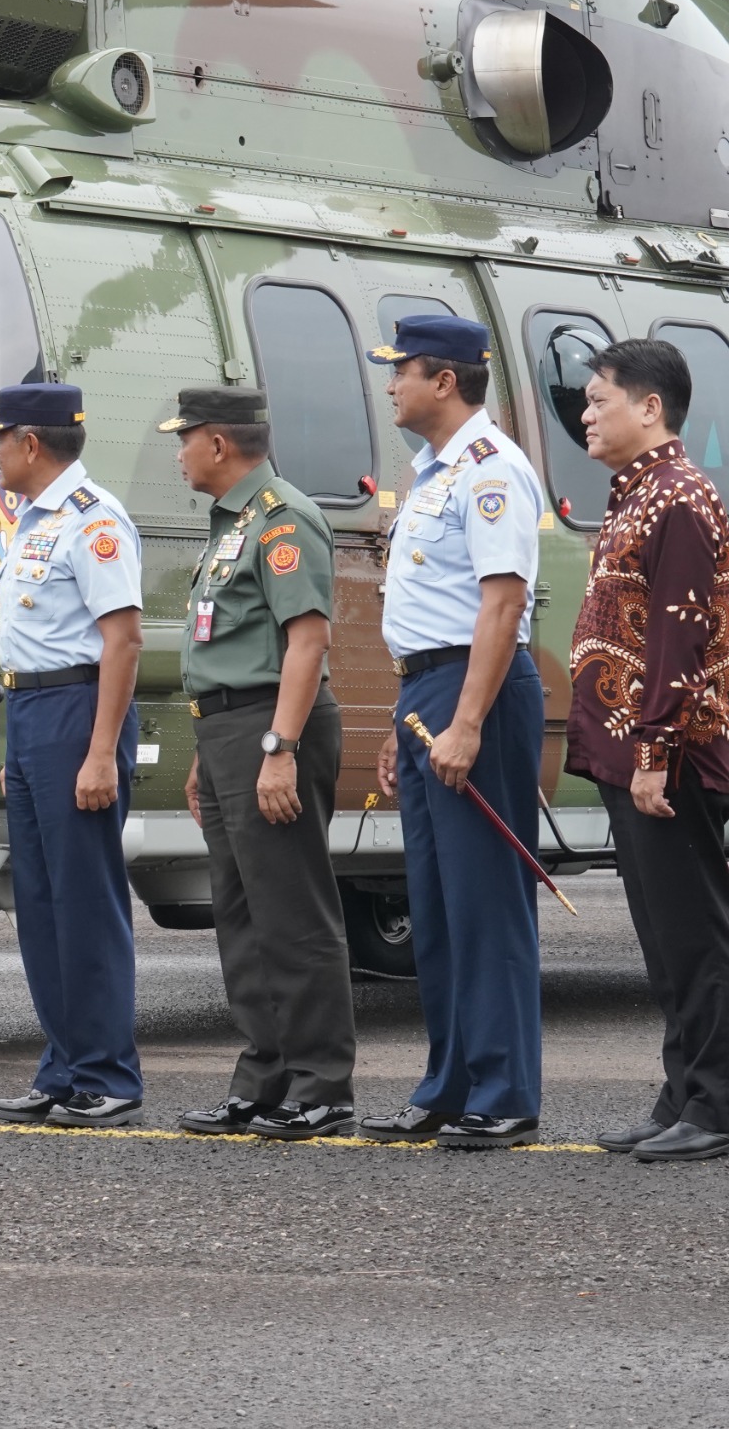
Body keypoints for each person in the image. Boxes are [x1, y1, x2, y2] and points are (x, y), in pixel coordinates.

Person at [366, 314, 548, 1148]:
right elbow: (422, 615)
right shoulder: (434, 473)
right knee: (437, 906)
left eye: (401, 370)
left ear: (444, 380)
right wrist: (401, 725)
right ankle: (449, 1084)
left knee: (486, 902)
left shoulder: (491, 470)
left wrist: (466, 722)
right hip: (426, 691)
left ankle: (505, 1091)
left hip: (473, 690)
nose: (392, 383)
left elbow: (501, 605)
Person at [161, 386, 355, 1139]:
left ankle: (323, 1085)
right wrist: (209, 755)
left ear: (218, 442)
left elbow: (308, 640)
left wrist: (278, 749)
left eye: (184, 440)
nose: (178, 455)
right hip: (231, 733)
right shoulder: (235, 522)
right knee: (242, 915)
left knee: (293, 914)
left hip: (273, 729)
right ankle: (266, 1078)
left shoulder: (282, 516)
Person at [564, 338, 729, 1163]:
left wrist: (655, 750)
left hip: (672, 755)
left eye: (599, 400)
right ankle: (682, 1092)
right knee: (663, 937)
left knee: (694, 932)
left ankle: (718, 1102)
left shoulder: (680, 499)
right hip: (631, 751)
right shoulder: (637, 494)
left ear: (650, 407)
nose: (585, 415)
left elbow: (680, 636)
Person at [0, 382, 146, 1128]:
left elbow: (124, 641)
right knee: (41, 908)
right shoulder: (33, 522)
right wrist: (20, 741)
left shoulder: (92, 521)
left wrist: (102, 751)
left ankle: (108, 1075)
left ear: (32, 444)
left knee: (86, 905)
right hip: (34, 710)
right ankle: (65, 1067)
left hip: (80, 711)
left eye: (1, 437)